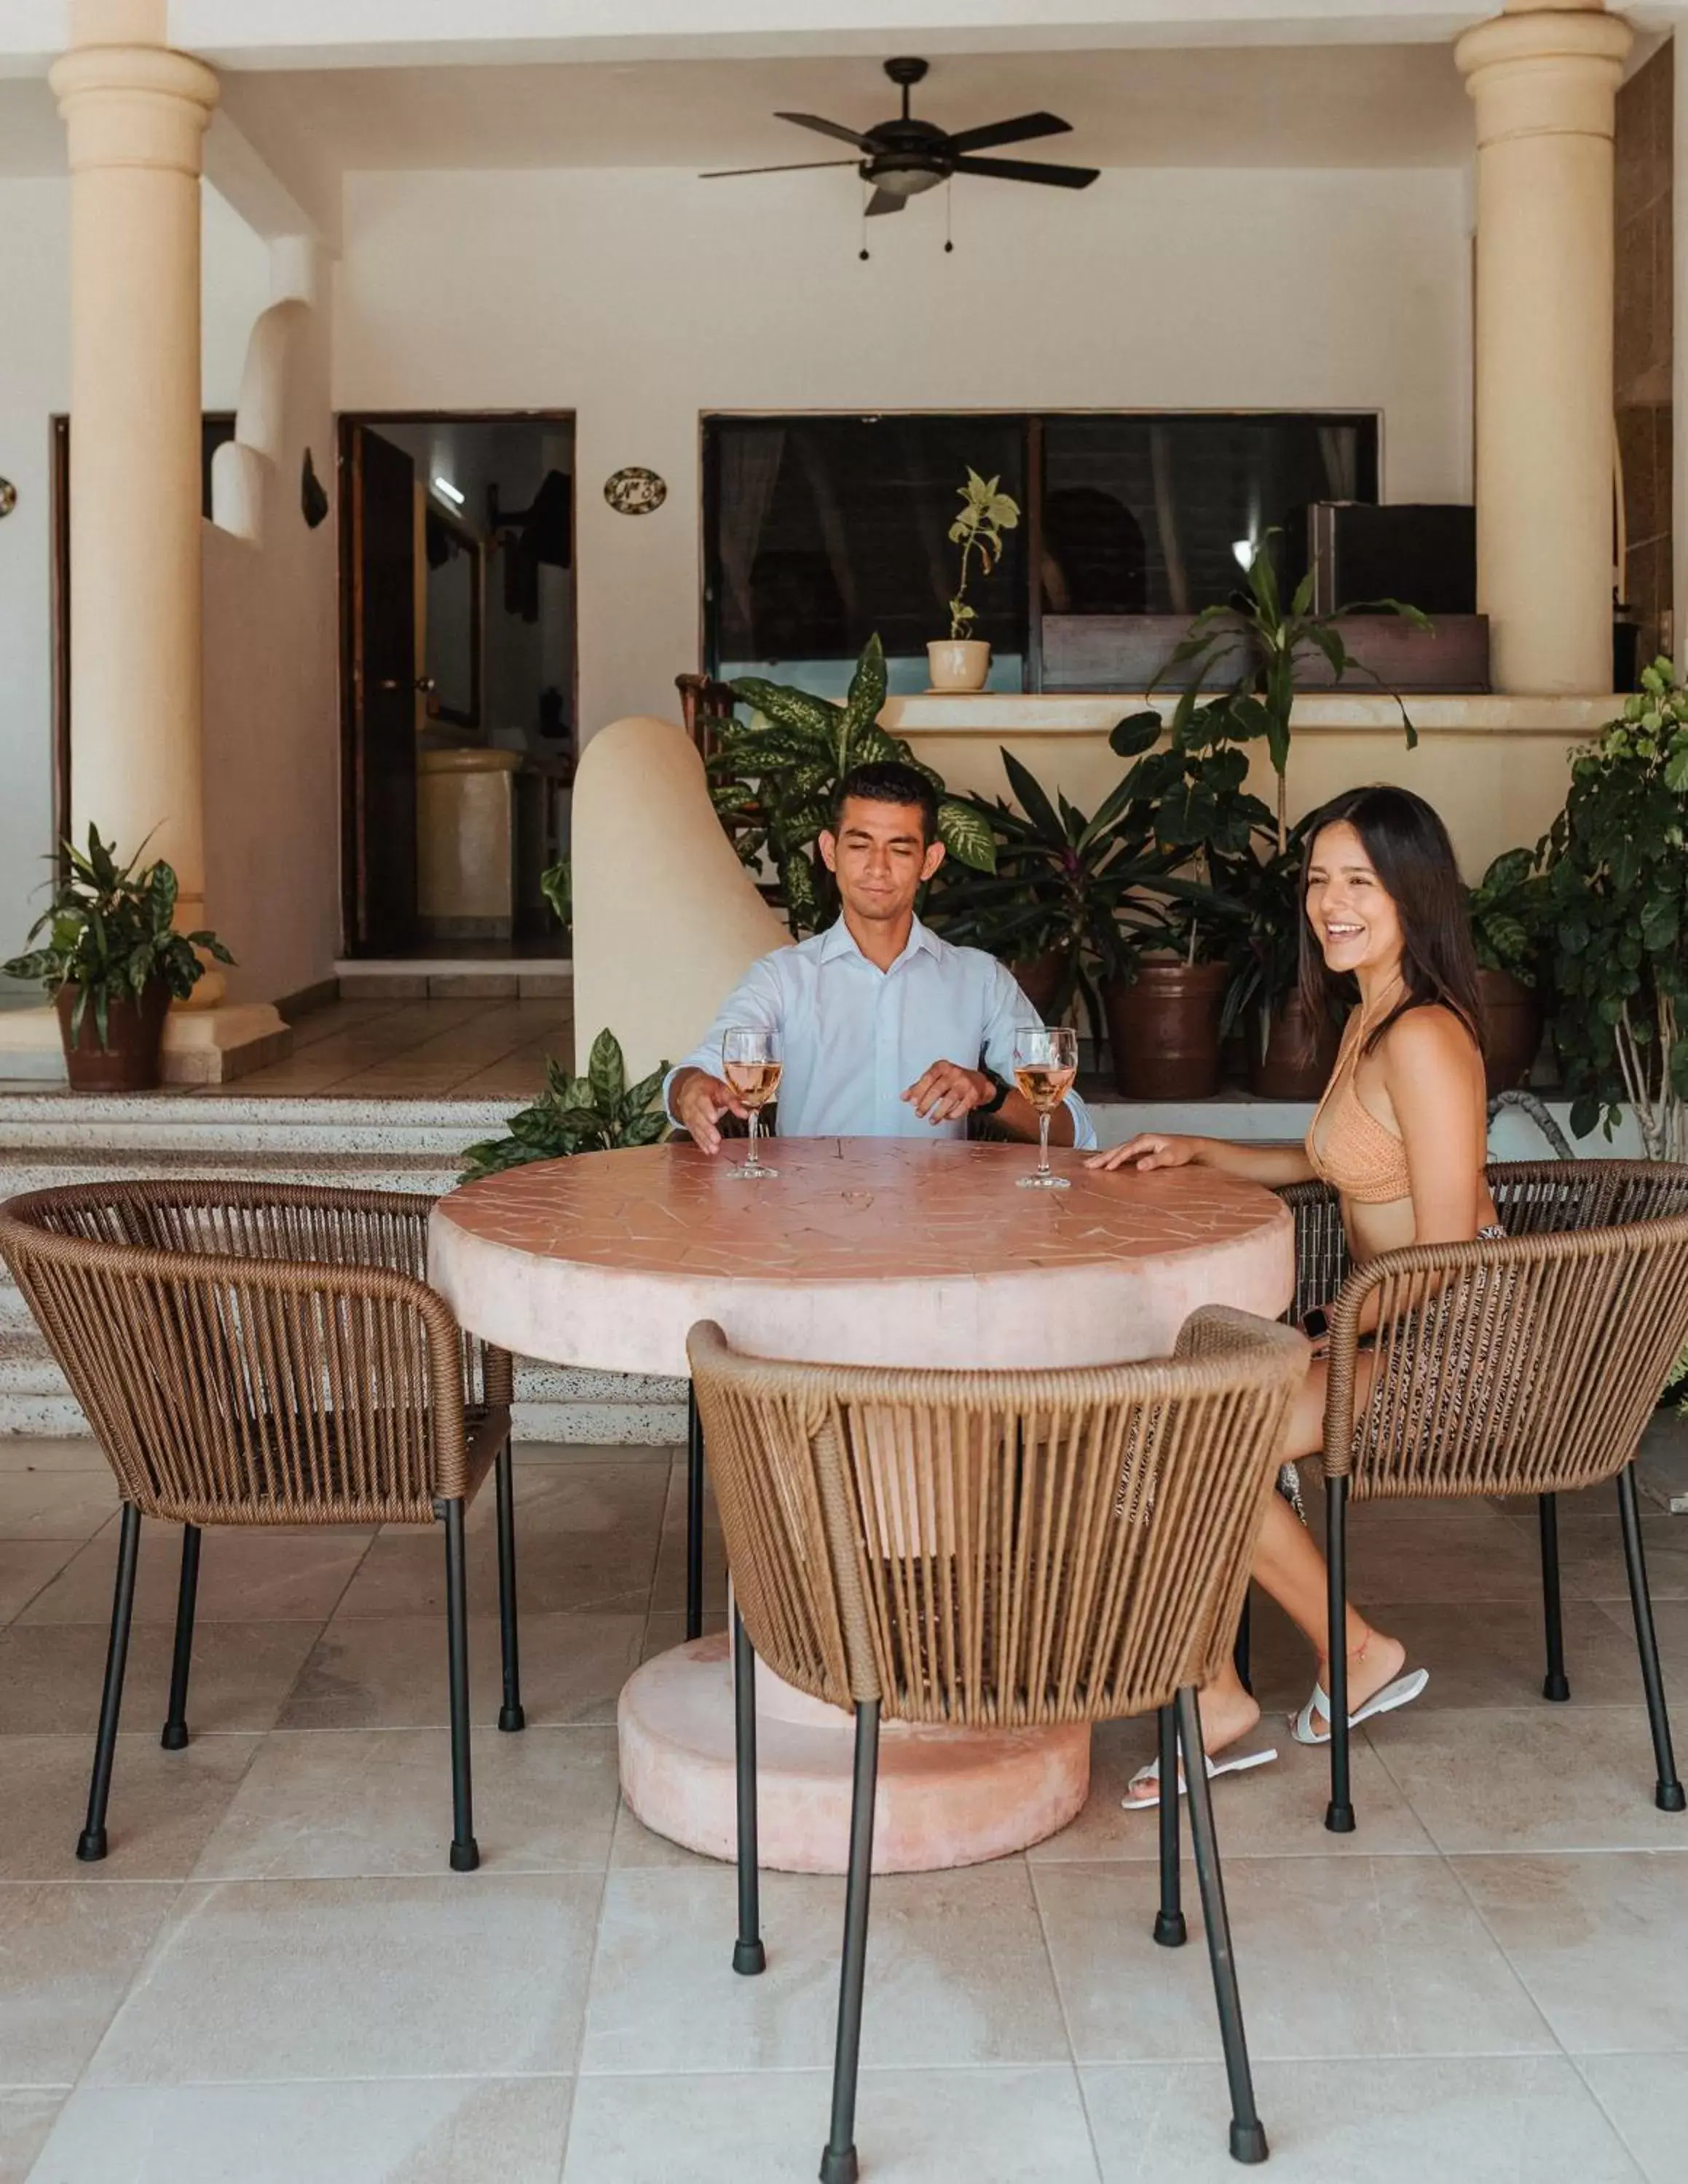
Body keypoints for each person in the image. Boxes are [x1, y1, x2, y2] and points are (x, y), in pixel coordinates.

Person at [1089, 783, 1493, 1803]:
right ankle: (1242, 1682)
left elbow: (1444, 1251)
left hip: (1459, 1341)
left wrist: (1325, 1330)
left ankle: (1307, 1665)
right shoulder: (1372, 1015)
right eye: (1318, 881)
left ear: (1414, 894)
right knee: (1191, 1418)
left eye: (1359, 880)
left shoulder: (1426, 1038)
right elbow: (1334, 1159)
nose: (1330, 903)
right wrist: (1197, 1147)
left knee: (1202, 1437)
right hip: (1390, 1321)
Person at [666, 760, 1096, 1153]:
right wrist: (690, 1091)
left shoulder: (981, 979)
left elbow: (1071, 1129)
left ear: (930, 861)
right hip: (807, 1222)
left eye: (901, 848)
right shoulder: (780, 978)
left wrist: (990, 1093)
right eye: (861, 845)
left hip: (942, 1225)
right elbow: (693, 1075)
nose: (878, 867)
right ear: (830, 852)